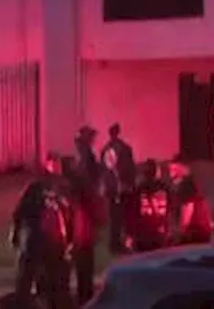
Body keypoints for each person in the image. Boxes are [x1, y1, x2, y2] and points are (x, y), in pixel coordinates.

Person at [9, 154, 73, 309]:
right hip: (36, 239)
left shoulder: (63, 188)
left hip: (54, 242)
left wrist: (69, 240)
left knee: (55, 281)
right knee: (26, 277)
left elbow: (69, 216)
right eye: (53, 163)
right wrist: (16, 233)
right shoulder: (36, 187)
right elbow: (19, 211)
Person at [60, 156, 98, 305]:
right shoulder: (81, 183)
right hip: (83, 233)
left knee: (68, 270)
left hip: (77, 233)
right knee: (84, 270)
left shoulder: (65, 185)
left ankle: (76, 298)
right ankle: (85, 297)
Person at [99, 123, 136, 254]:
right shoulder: (125, 149)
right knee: (123, 217)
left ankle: (115, 243)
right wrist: (130, 184)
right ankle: (119, 243)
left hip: (114, 189)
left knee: (116, 217)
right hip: (121, 188)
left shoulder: (106, 149)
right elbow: (130, 168)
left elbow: (104, 170)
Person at [167, 156, 214, 245]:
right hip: (202, 232)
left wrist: (181, 232)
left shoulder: (186, 187)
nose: (171, 173)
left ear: (183, 169)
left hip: (194, 233)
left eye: (174, 169)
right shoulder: (192, 185)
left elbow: (188, 207)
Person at [127, 160, 171, 252]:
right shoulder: (165, 189)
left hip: (143, 234)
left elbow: (132, 213)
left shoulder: (138, 190)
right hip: (160, 232)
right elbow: (171, 210)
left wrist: (131, 234)